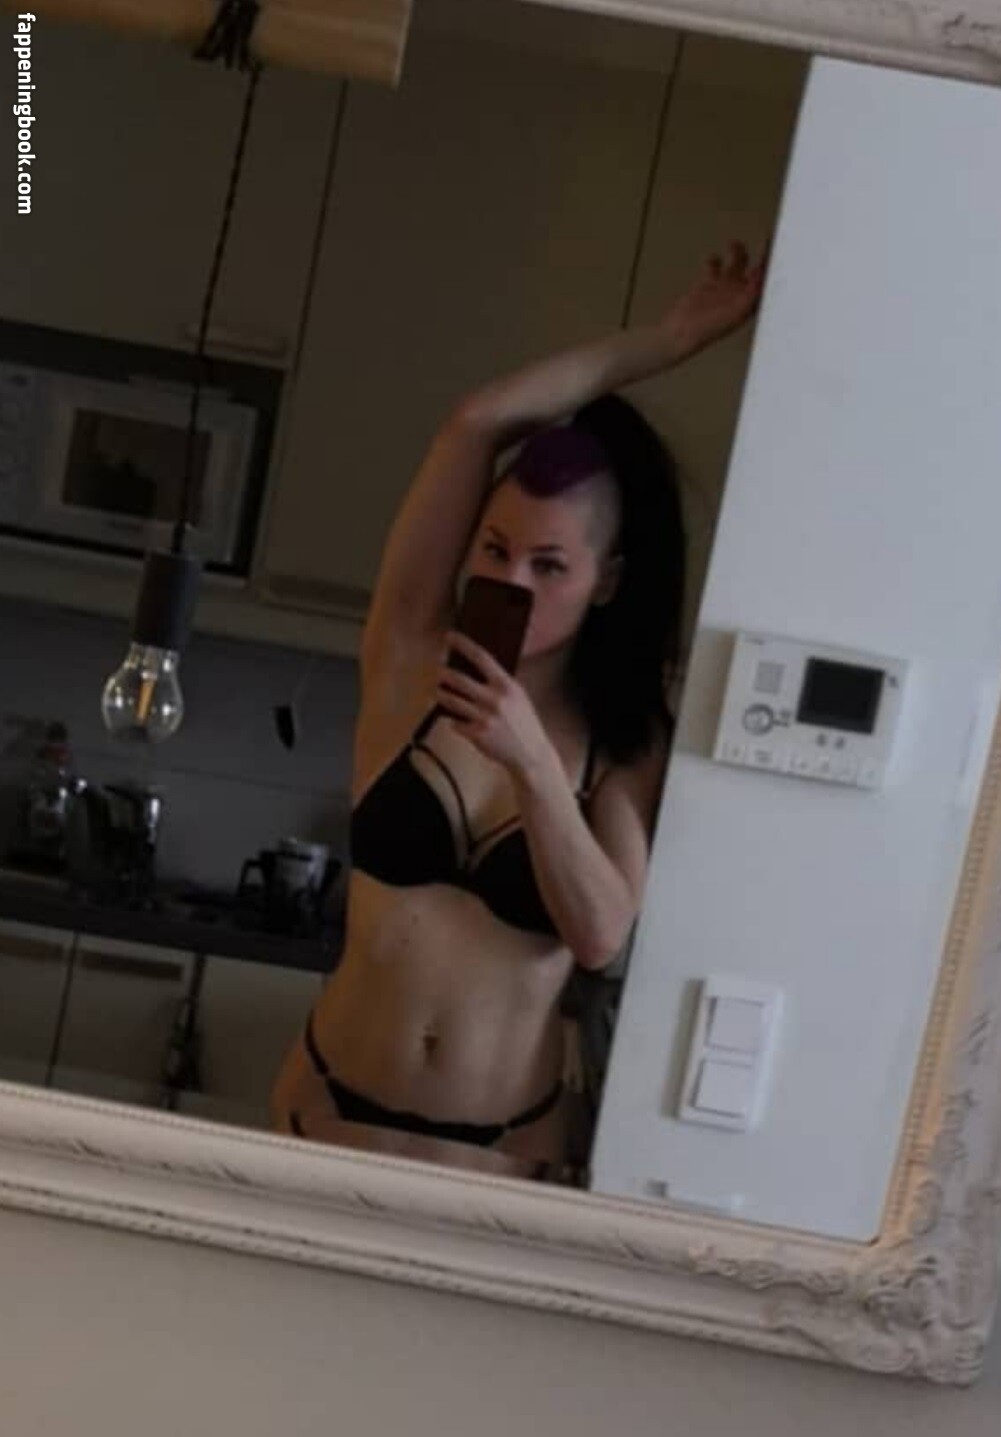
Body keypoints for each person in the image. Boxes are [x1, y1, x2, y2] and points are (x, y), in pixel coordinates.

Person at [270, 242, 766, 1178]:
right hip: (323, 1115)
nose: (510, 582)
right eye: (495, 550)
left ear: (606, 581)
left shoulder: (623, 740)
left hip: (502, 1157)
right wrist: (665, 342)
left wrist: (533, 763)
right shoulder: (409, 658)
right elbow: (475, 422)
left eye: (549, 566)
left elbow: (602, 933)